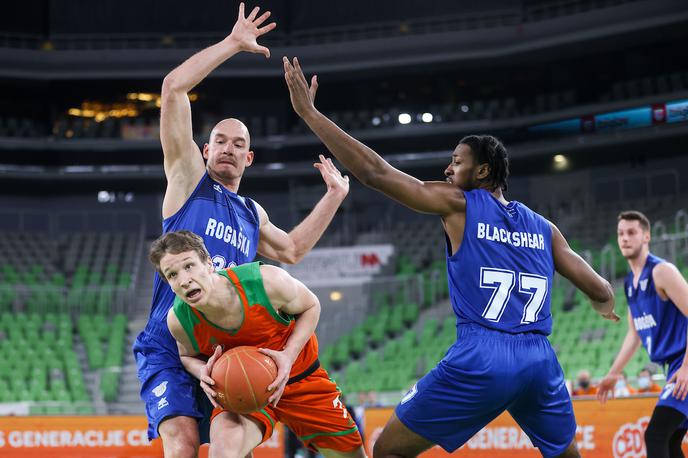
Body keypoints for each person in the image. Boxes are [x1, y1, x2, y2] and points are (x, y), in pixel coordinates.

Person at [282, 57, 618, 458]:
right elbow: (600, 288)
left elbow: (375, 173)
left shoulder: (460, 204)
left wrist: (310, 113)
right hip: (539, 360)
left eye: (457, 163)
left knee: (387, 449)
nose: (447, 168)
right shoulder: (545, 229)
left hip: (483, 355)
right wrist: (604, 308)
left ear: (482, 173)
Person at [133, 5, 350, 457]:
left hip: (230, 341)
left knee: (235, 445)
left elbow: (291, 251)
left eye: (240, 144)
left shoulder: (252, 212)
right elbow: (173, 87)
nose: (229, 149)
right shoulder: (189, 179)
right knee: (182, 440)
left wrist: (332, 196)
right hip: (172, 338)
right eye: (221, 141)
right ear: (205, 149)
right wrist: (233, 43)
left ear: (249, 158)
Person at [150, 230, 365, 458]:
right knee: (223, 452)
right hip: (241, 391)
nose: (184, 280)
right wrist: (203, 370)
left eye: (189, 266)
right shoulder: (179, 319)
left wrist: (288, 356)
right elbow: (186, 356)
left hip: (301, 379)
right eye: (172, 275)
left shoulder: (266, 281)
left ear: (209, 263)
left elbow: (311, 306)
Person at [597, 211, 688, 458]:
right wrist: (613, 373)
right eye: (620, 233)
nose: (625, 238)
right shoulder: (629, 284)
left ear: (646, 236)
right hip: (674, 365)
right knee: (670, 441)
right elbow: (634, 333)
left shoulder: (662, 271)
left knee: (656, 435)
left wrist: (687, 367)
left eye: (631, 232)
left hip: (684, 362)